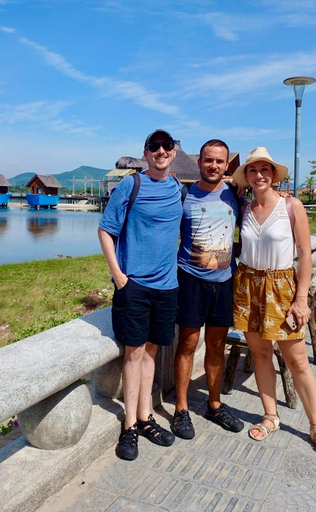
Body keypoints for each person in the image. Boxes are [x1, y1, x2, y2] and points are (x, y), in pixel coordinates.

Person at [231, 147, 316, 460]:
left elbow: (305, 253)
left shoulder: (292, 206)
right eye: (253, 170)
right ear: (247, 178)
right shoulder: (244, 209)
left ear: (274, 175)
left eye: (266, 170)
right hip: (249, 286)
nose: (260, 175)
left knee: (297, 361)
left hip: (282, 288)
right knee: (261, 353)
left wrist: (301, 299)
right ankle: (270, 415)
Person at [98, 129, 182, 460]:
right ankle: (130, 425)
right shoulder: (129, 186)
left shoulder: (177, 188)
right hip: (134, 286)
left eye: (166, 146)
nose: (161, 151)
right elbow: (105, 229)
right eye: (154, 146)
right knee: (133, 354)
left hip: (167, 286)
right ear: (146, 153)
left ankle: (146, 418)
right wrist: (119, 276)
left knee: (150, 353)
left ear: (174, 152)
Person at [171, 139, 244, 439]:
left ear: (227, 165)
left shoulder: (236, 195)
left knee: (216, 346)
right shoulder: (184, 195)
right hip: (190, 280)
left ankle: (215, 404)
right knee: (187, 345)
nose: (213, 165)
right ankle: (181, 409)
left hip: (224, 283)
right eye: (208, 160)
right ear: (199, 162)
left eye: (219, 161)